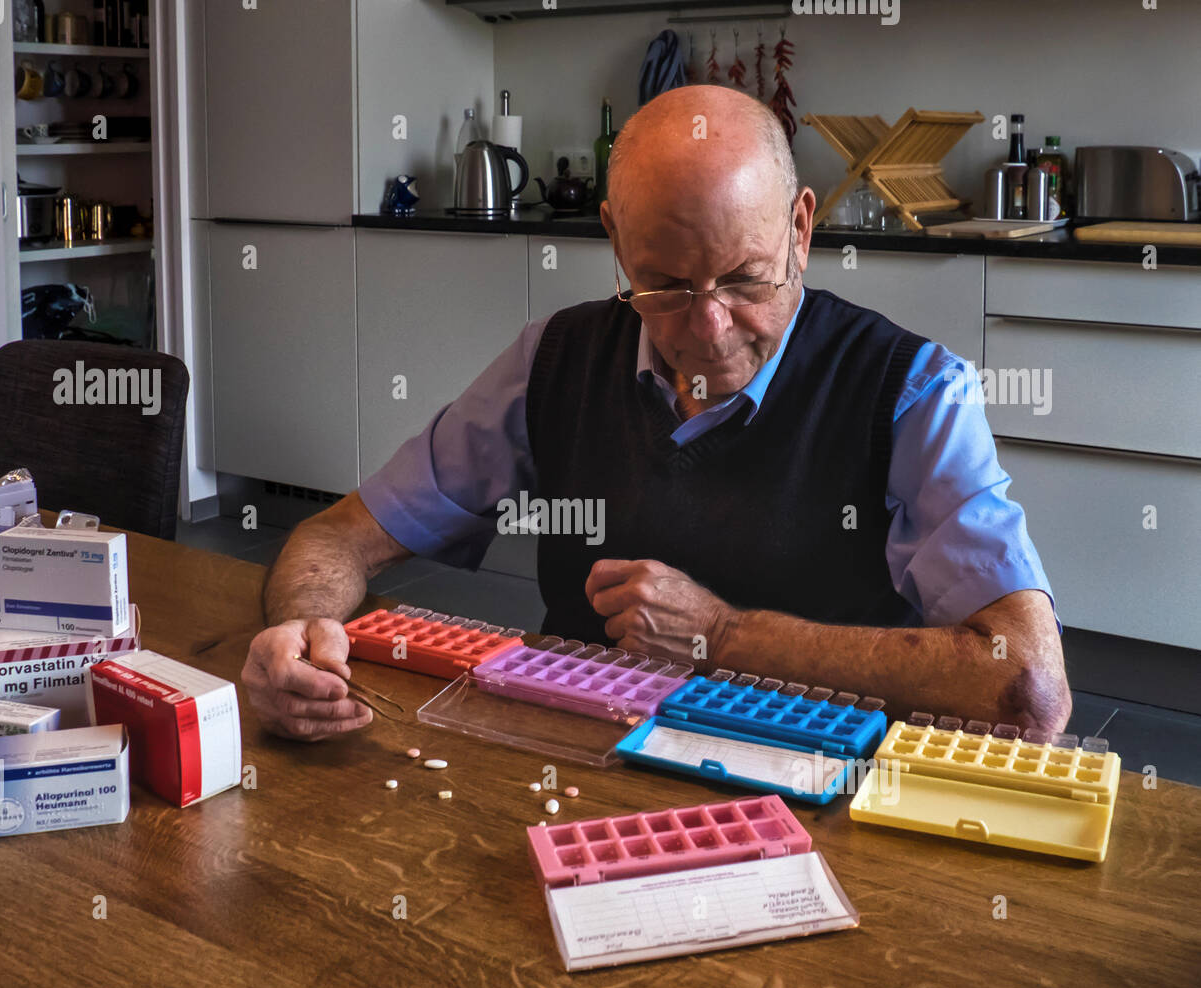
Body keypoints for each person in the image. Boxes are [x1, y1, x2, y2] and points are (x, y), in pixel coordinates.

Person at [242, 85, 1070, 742]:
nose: (708, 329)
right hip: (569, 761)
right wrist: (301, 634)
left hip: (821, 796)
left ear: (802, 230)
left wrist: (725, 634)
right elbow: (335, 536)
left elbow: (1027, 687)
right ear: (613, 239)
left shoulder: (912, 390)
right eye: (666, 286)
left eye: (747, 280)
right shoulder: (555, 360)